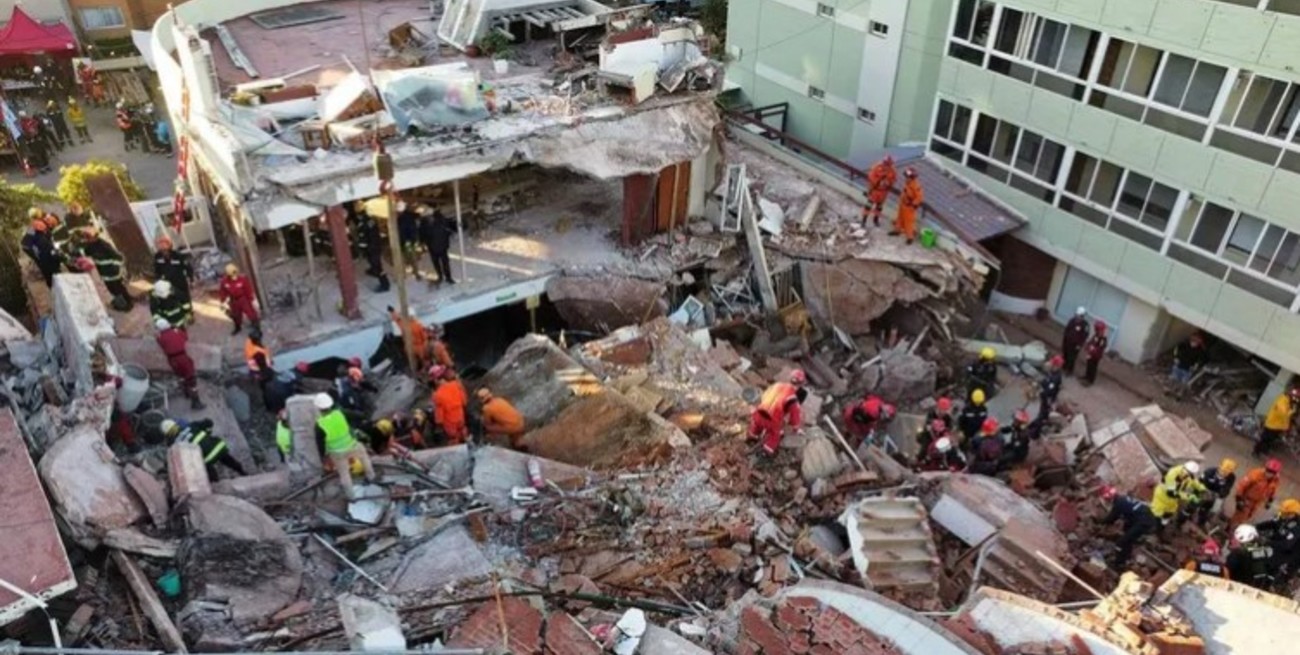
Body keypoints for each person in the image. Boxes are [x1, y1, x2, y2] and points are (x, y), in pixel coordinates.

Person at [313, 393, 376, 497]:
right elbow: (359, 415)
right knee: (364, 457)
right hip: (352, 445)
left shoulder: (319, 425)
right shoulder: (341, 413)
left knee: (344, 474)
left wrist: (323, 457)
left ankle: (351, 496)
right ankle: (371, 476)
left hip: (337, 452)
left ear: (318, 408)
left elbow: (320, 444)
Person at [162, 418, 246, 481]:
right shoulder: (192, 425)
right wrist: (207, 432)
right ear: (176, 424)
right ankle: (243, 473)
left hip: (206, 460)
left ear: (167, 435)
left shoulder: (175, 445)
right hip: (218, 448)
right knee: (230, 461)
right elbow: (209, 422)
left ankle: (217, 483)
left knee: (205, 468)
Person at [749, 370, 808, 456]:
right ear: (800, 385)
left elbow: (764, 396)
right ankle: (766, 451)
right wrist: (796, 428)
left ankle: (751, 437)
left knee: (756, 425)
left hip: (758, 414)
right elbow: (795, 417)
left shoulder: (776, 385)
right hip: (771, 422)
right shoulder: (793, 398)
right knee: (776, 435)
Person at [1100, 485, 1158, 570]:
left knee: (1121, 542)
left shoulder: (1118, 504)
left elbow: (1112, 518)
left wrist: (1100, 522)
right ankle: (1126, 556)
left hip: (1143, 522)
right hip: (1146, 517)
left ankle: (1119, 564)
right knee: (1127, 534)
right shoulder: (1123, 499)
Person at [77, 227, 130, 310]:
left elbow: (119, 258)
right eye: (85, 237)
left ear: (94, 236)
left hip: (112, 273)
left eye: (87, 237)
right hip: (104, 274)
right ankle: (122, 305)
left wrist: (114, 267)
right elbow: (88, 256)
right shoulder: (89, 247)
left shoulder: (104, 245)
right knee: (113, 291)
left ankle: (127, 305)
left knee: (118, 289)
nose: (86, 239)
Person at [155, 319, 203, 409]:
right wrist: (177, 328)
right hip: (182, 358)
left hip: (172, 360)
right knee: (191, 379)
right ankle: (196, 402)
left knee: (181, 377)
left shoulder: (160, 337)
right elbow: (185, 337)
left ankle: (186, 392)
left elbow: (160, 342)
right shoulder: (176, 332)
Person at [1257, 499, 1300, 585]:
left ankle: (1267, 584)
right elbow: (1272, 523)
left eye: (1285, 513)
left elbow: (1287, 545)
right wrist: (1255, 527)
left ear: (1293, 514)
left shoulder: (1297, 528)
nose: (1282, 515)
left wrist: (1267, 542)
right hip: (1274, 546)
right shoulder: (1283, 518)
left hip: (1286, 555)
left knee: (1268, 567)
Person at [154, 236, 194, 323]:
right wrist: (157, 281)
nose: (164, 252)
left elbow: (188, 268)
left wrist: (191, 279)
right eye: (162, 250)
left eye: (165, 250)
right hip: (167, 284)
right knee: (171, 300)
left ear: (170, 247)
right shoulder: (157, 257)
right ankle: (178, 315)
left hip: (180, 282)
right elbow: (157, 270)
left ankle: (189, 314)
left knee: (185, 300)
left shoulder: (178, 256)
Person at [1151, 461, 1205, 526]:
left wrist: (1202, 489)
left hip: (1172, 501)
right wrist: (1189, 496)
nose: (1187, 475)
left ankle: (1161, 526)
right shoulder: (1172, 474)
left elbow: (1193, 481)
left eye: (1190, 474)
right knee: (1155, 515)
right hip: (1162, 498)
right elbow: (1171, 493)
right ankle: (1151, 528)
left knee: (1169, 514)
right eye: (1188, 473)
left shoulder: (1188, 476)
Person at [1232, 459, 1283, 527]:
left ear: (1275, 473)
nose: (1269, 473)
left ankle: (1233, 528)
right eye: (1268, 470)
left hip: (1257, 502)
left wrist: (1270, 500)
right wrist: (1239, 499)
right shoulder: (1255, 474)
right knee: (1240, 516)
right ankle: (1231, 529)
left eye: (1272, 472)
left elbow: (1273, 490)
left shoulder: (1276, 480)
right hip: (1247, 499)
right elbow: (1242, 485)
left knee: (1248, 516)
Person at [1226, 524, 1275, 590]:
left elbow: (1226, 571)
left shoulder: (1238, 555)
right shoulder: (1258, 555)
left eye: (1233, 538)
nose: (1231, 540)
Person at [1194, 458, 1237, 528]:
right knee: (1195, 502)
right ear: (1219, 466)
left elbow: (1227, 488)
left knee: (1213, 509)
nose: (1223, 474)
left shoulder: (1231, 477)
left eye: (1226, 473)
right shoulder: (1209, 472)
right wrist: (1200, 492)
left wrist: (1220, 494)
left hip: (1216, 494)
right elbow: (1200, 482)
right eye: (1222, 471)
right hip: (1205, 490)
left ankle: (1202, 521)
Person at [431, 367, 470, 445]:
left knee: (454, 438)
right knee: (463, 431)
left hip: (450, 422)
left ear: (435, 380)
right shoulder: (456, 385)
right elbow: (464, 401)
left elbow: (439, 416)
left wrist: (438, 425)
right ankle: (468, 444)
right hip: (460, 416)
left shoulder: (437, 395)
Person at [1255, 387, 1298, 457]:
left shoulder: (1287, 402)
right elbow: (1283, 414)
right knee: (1265, 439)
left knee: (1271, 440)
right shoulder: (1282, 400)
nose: (1294, 399)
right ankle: (1256, 451)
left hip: (1278, 425)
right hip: (1272, 424)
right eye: (1294, 397)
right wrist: (1292, 411)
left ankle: (1264, 451)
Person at [354, 209, 390, 292]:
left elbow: (364, 237)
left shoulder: (364, 224)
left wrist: (361, 247)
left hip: (372, 248)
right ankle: (373, 271)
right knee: (372, 262)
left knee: (378, 266)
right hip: (373, 247)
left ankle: (385, 285)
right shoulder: (370, 221)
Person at [219, 264, 260, 335]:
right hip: (233, 301)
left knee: (251, 313)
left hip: (243, 299)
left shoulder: (242, 280)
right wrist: (222, 302)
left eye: (235, 273)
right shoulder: (224, 282)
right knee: (236, 315)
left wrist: (253, 300)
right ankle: (237, 327)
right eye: (232, 275)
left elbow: (248, 290)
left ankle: (256, 327)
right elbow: (223, 292)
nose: (234, 276)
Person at [420, 207, 457, 285]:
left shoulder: (440, 220)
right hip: (435, 246)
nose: (429, 217)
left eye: (429, 216)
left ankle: (447, 277)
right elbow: (422, 235)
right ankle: (442, 276)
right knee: (438, 263)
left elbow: (448, 228)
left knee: (444, 263)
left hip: (440, 245)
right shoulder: (425, 223)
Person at [21, 218, 62, 287]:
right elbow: (25, 245)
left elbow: (50, 241)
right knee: (46, 267)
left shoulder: (46, 230)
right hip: (38, 252)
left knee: (51, 264)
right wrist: (36, 257)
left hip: (46, 251)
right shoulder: (32, 230)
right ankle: (52, 283)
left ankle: (54, 280)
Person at [388, 306, 428, 371]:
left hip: (409, 348)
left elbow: (397, 318)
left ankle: (416, 371)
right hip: (420, 348)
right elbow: (425, 338)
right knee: (424, 362)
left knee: (413, 362)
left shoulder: (404, 325)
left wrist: (392, 311)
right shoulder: (418, 325)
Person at [862, 155, 896, 227]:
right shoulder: (876, 167)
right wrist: (878, 181)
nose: (888, 165)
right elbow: (870, 176)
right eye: (887, 164)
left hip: (883, 192)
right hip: (874, 190)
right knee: (868, 206)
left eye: (889, 164)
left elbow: (893, 179)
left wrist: (888, 183)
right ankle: (864, 220)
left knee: (879, 207)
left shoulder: (892, 170)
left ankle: (876, 219)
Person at [892, 166, 923, 244]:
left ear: (911, 177)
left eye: (907, 177)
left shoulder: (916, 186)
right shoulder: (908, 183)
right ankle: (897, 231)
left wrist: (913, 205)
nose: (905, 178)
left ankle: (910, 237)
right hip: (903, 204)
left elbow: (919, 198)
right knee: (899, 218)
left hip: (909, 207)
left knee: (909, 222)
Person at [1036, 355, 1065, 425]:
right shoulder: (1052, 373)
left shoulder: (1056, 378)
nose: (1051, 365)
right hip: (1045, 394)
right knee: (1042, 408)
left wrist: (1041, 392)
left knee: (1044, 410)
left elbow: (1050, 390)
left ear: (1056, 366)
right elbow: (1045, 380)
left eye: (1053, 364)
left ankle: (1042, 422)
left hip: (1049, 397)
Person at [1061, 307, 1090, 376]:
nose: (1077, 317)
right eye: (1077, 315)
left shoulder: (1085, 325)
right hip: (1067, 342)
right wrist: (1065, 339)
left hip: (1075, 345)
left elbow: (1084, 336)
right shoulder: (1072, 320)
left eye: (1079, 316)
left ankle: (1069, 371)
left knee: (1072, 357)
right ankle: (1064, 366)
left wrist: (1079, 345)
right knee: (1065, 354)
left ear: (1082, 316)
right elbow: (1067, 330)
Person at [396, 201, 421, 276]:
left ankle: (408, 272)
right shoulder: (410, 215)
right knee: (412, 255)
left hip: (406, 241)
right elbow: (417, 215)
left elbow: (402, 231)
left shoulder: (401, 219)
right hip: (412, 239)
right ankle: (416, 272)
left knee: (407, 256)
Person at [1081, 320, 1108, 386]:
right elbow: (1091, 341)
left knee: (1093, 367)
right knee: (1088, 365)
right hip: (1091, 353)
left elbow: (1100, 347)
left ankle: (1090, 381)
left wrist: (1093, 349)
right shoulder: (1096, 335)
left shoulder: (1103, 339)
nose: (1097, 331)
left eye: (1098, 329)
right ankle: (1086, 376)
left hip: (1096, 355)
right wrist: (1087, 346)